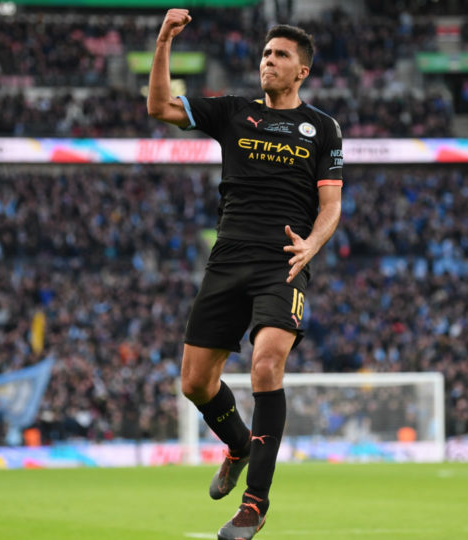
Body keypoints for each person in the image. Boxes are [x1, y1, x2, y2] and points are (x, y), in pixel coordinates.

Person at [147, 9, 343, 540]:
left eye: (280, 55)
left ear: (302, 70)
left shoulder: (323, 128)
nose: (268, 61)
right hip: (228, 258)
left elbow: (331, 205)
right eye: (265, 53)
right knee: (195, 383)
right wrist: (163, 41)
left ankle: (254, 504)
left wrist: (313, 244)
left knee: (266, 365)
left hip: (284, 261)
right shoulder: (234, 112)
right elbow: (160, 106)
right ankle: (237, 443)